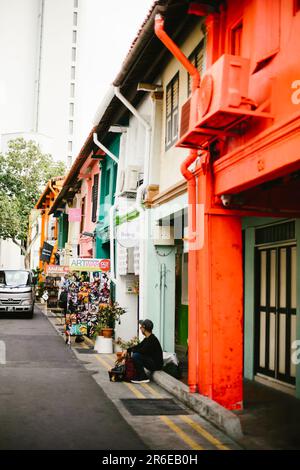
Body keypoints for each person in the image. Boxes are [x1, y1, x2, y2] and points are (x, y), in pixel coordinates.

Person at [123, 319, 163, 384]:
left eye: (141, 327)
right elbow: (139, 346)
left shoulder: (152, 340)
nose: (140, 328)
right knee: (136, 354)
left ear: (144, 328)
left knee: (136, 356)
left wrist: (131, 351)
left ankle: (143, 377)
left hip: (156, 365)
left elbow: (142, 350)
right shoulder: (148, 338)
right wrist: (127, 350)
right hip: (152, 361)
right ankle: (139, 375)